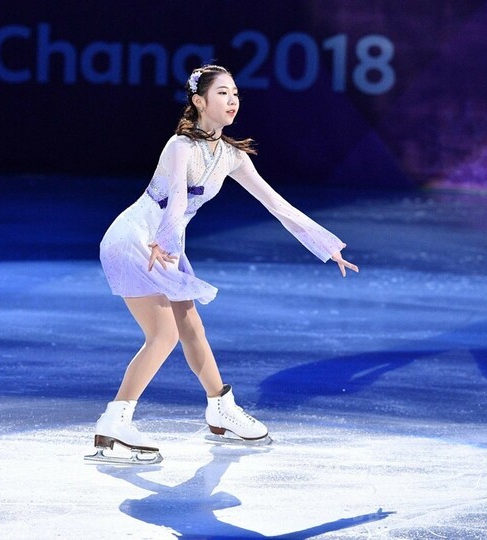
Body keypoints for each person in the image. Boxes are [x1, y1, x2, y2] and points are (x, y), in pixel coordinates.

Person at [88, 64, 359, 463]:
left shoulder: (231, 156)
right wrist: (164, 243)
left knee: (191, 327)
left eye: (235, 93)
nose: (232, 100)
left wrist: (325, 245)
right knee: (163, 336)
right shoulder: (179, 145)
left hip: (167, 245)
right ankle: (115, 422)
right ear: (199, 102)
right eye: (222, 94)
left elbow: (277, 205)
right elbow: (177, 200)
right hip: (138, 240)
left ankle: (220, 409)